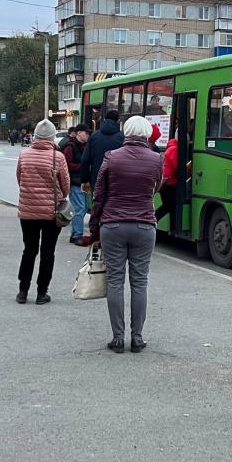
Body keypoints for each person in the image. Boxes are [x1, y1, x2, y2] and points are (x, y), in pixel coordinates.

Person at [89, 116, 163, 354]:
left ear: (126, 132)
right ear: (146, 134)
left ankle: (118, 338)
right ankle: (137, 338)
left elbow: (99, 194)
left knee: (115, 281)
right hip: (144, 225)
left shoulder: (111, 157)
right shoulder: (156, 159)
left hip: (113, 225)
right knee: (140, 282)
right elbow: (156, 186)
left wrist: (94, 226)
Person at [16, 119, 70, 305]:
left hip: (27, 211)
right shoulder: (58, 157)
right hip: (51, 212)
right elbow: (65, 185)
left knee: (29, 250)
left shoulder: (24, 154)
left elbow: (19, 178)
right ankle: (41, 293)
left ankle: (23, 291)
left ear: (36, 136)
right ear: (52, 137)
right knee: (48, 252)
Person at [80, 110, 124, 193]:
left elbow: (85, 160)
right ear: (118, 121)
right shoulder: (123, 137)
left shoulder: (94, 136)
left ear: (104, 120)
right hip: (116, 182)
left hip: (97, 181)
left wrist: (85, 180)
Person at [62, 123, 90, 245]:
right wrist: (83, 166)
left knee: (83, 207)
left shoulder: (85, 146)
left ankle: (75, 233)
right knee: (80, 208)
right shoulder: (70, 146)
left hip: (84, 182)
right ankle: (77, 235)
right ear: (79, 133)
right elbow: (66, 164)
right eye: (86, 133)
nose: (88, 135)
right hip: (75, 182)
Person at [155, 134, 178, 222]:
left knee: (171, 207)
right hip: (169, 183)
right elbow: (177, 167)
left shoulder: (171, 147)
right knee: (168, 206)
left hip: (166, 181)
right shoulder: (175, 149)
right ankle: (152, 220)